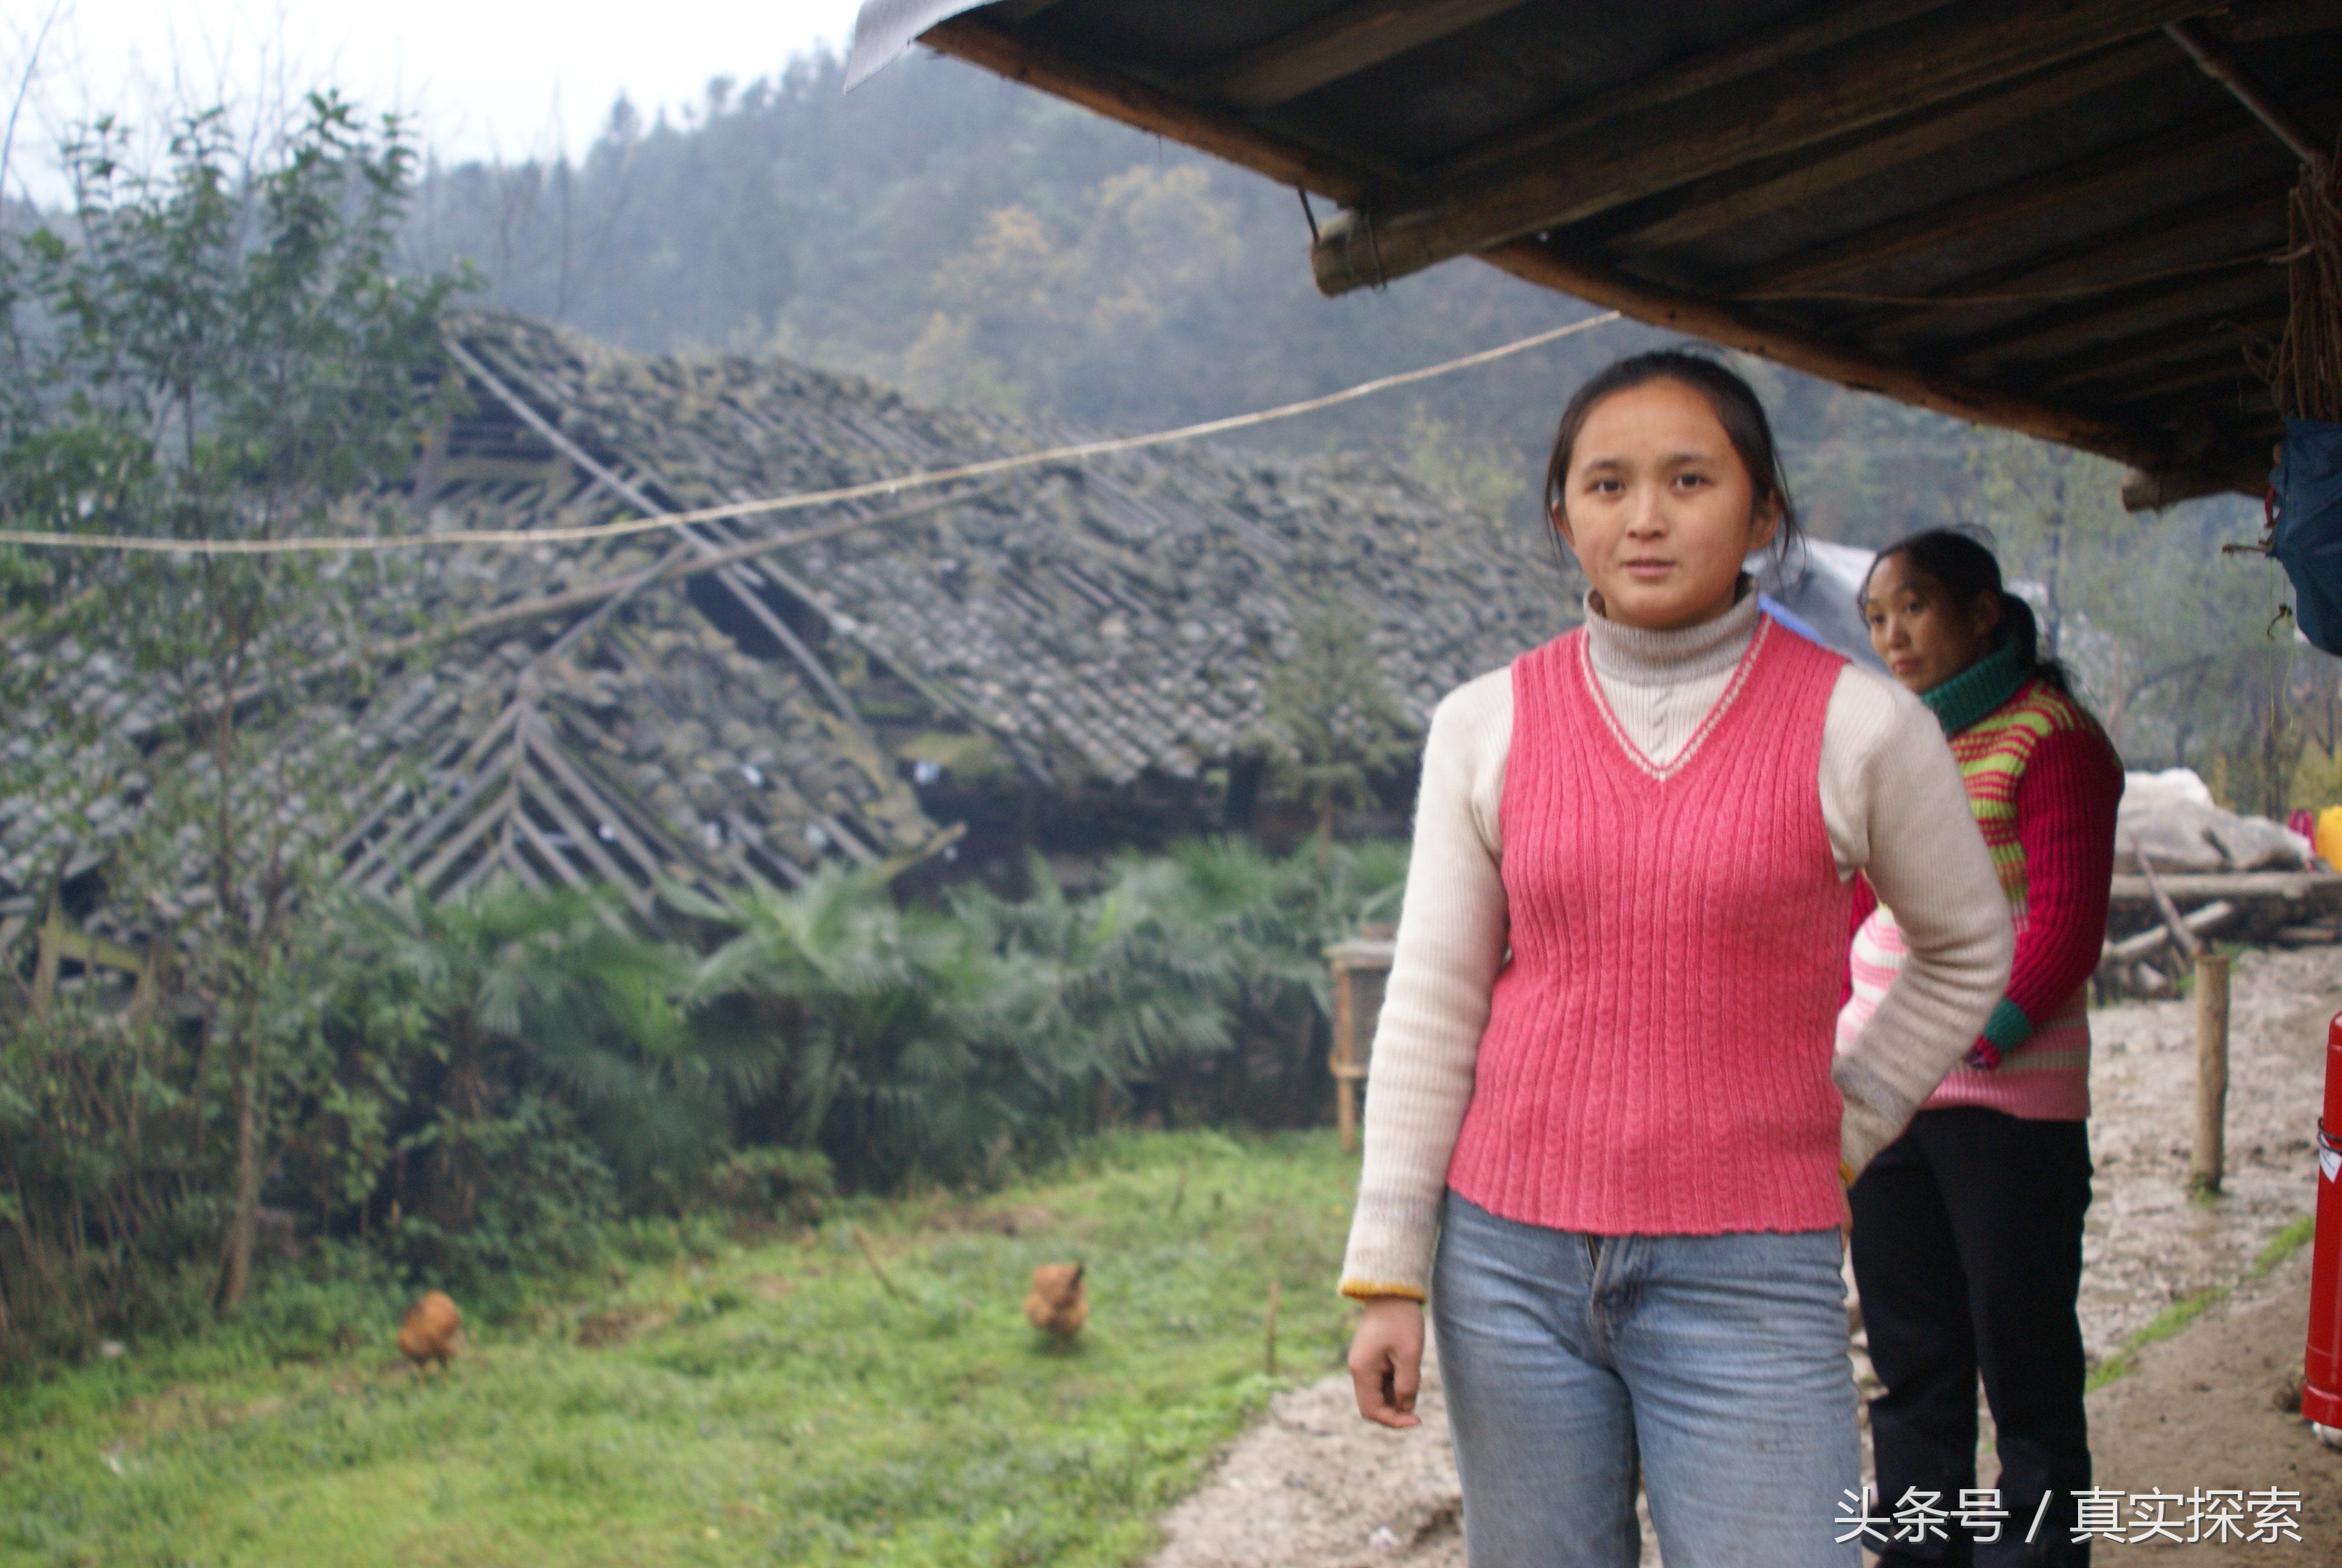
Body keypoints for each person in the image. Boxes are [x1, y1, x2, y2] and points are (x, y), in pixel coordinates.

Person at [1339, 350, 2014, 1568]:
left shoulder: (1863, 726)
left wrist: (1843, 1121)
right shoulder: (1484, 723)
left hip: (1752, 1270)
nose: (1644, 516)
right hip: (1506, 1269)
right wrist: (1387, 1268)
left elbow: (1967, 947)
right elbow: (1434, 1000)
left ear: (1762, 512)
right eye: (1606, 485)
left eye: (1689, 479)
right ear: (1564, 516)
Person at [1846, 531, 2124, 1566]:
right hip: (1886, 1099)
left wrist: (1980, 1034)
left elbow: (2062, 916)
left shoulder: (2052, 739)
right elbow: (1865, 913)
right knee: (1912, 1354)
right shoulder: (1901, 746)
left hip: (2004, 1105)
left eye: (1912, 606)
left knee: (2025, 1358)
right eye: (1876, 616)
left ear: (1983, 613)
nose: (1891, 633)